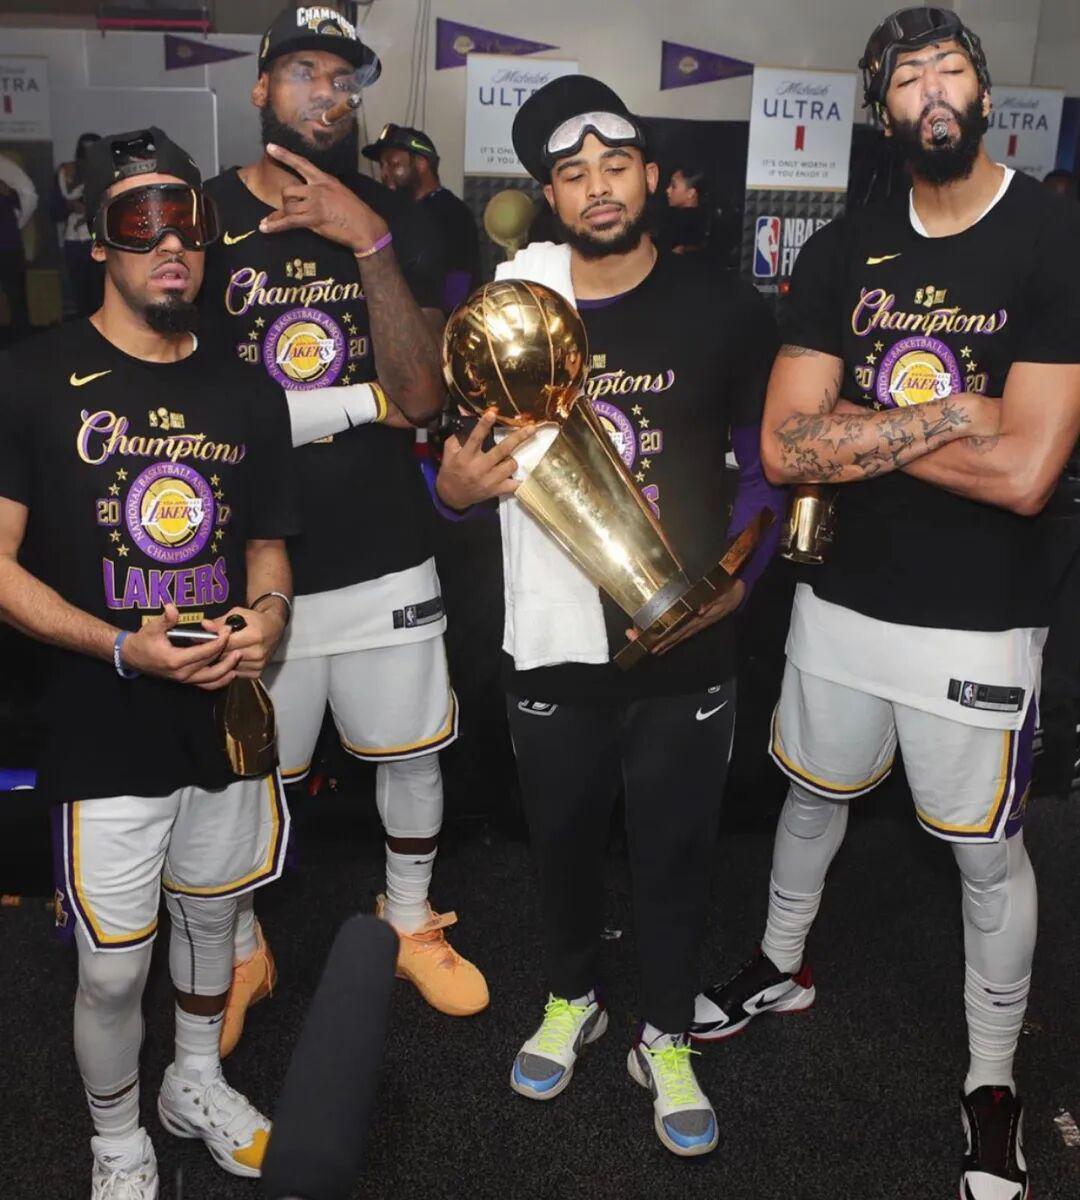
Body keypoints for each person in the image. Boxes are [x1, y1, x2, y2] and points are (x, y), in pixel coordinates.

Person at [692, 9, 1080, 1198]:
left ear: (984, 94)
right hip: (845, 596)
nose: (933, 88)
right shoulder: (843, 249)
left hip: (980, 614)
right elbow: (785, 446)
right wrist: (952, 414)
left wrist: (862, 432)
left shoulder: (1052, 236)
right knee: (813, 790)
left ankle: (993, 1080)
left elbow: (1027, 474)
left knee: (983, 854)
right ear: (883, 111)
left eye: (951, 68)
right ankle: (781, 965)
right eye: (908, 77)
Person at [435, 74, 784, 1157]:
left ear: (652, 178)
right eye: (573, 173)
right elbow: (451, 465)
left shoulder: (726, 309)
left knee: (677, 849)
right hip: (552, 644)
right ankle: (573, 996)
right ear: (549, 197)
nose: (597, 187)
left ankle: (666, 1032)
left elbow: (764, 472)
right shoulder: (509, 313)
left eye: (616, 165)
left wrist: (739, 581)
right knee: (564, 843)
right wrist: (450, 493)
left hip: (682, 636)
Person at [0, 126, 299, 1197]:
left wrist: (270, 618)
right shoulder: (31, 377)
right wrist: (120, 646)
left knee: (214, 922)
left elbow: (267, 548)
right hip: (102, 720)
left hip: (222, 710)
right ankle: (117, 1141)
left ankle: (194, 1082)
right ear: (100, 243)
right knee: (113, 968)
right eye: (141, 220)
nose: (171, 244)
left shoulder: (249, 391)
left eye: (189, 221)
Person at [201, 3, 488, 1054]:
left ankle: (409, 918)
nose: (327, 93)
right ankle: (241, 947)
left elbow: (423, 397)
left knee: (410, 752)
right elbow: (196, 406)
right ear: (260, 88)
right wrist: (355, 403)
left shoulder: (403, 218)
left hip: (382, 543)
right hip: (249, 554)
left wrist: (366, 240)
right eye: (303, 71)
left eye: (343, 77)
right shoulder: (200, 215)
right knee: (249, 772)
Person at [363, 122, 481, 313]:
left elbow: (459, 281)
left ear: (421, 163)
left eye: (394, 164)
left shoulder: (452, 213)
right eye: (382, 166)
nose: (384, 174)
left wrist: (448, 322)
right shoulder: (393, 212)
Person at [53, 133, 105, 317]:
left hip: (99, 240)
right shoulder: (66, 172)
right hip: (74, 242)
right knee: (80, 295)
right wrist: (69, 204)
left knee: (100, 294)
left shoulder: (107, 174)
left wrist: (89, 210)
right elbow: (55, 211)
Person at [0, 150, 37, 340]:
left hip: (8, 245)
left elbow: (28, 196)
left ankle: (22, 341)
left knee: (16, 298)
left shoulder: (5, 168)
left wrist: (18, 222)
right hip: (9, 242)